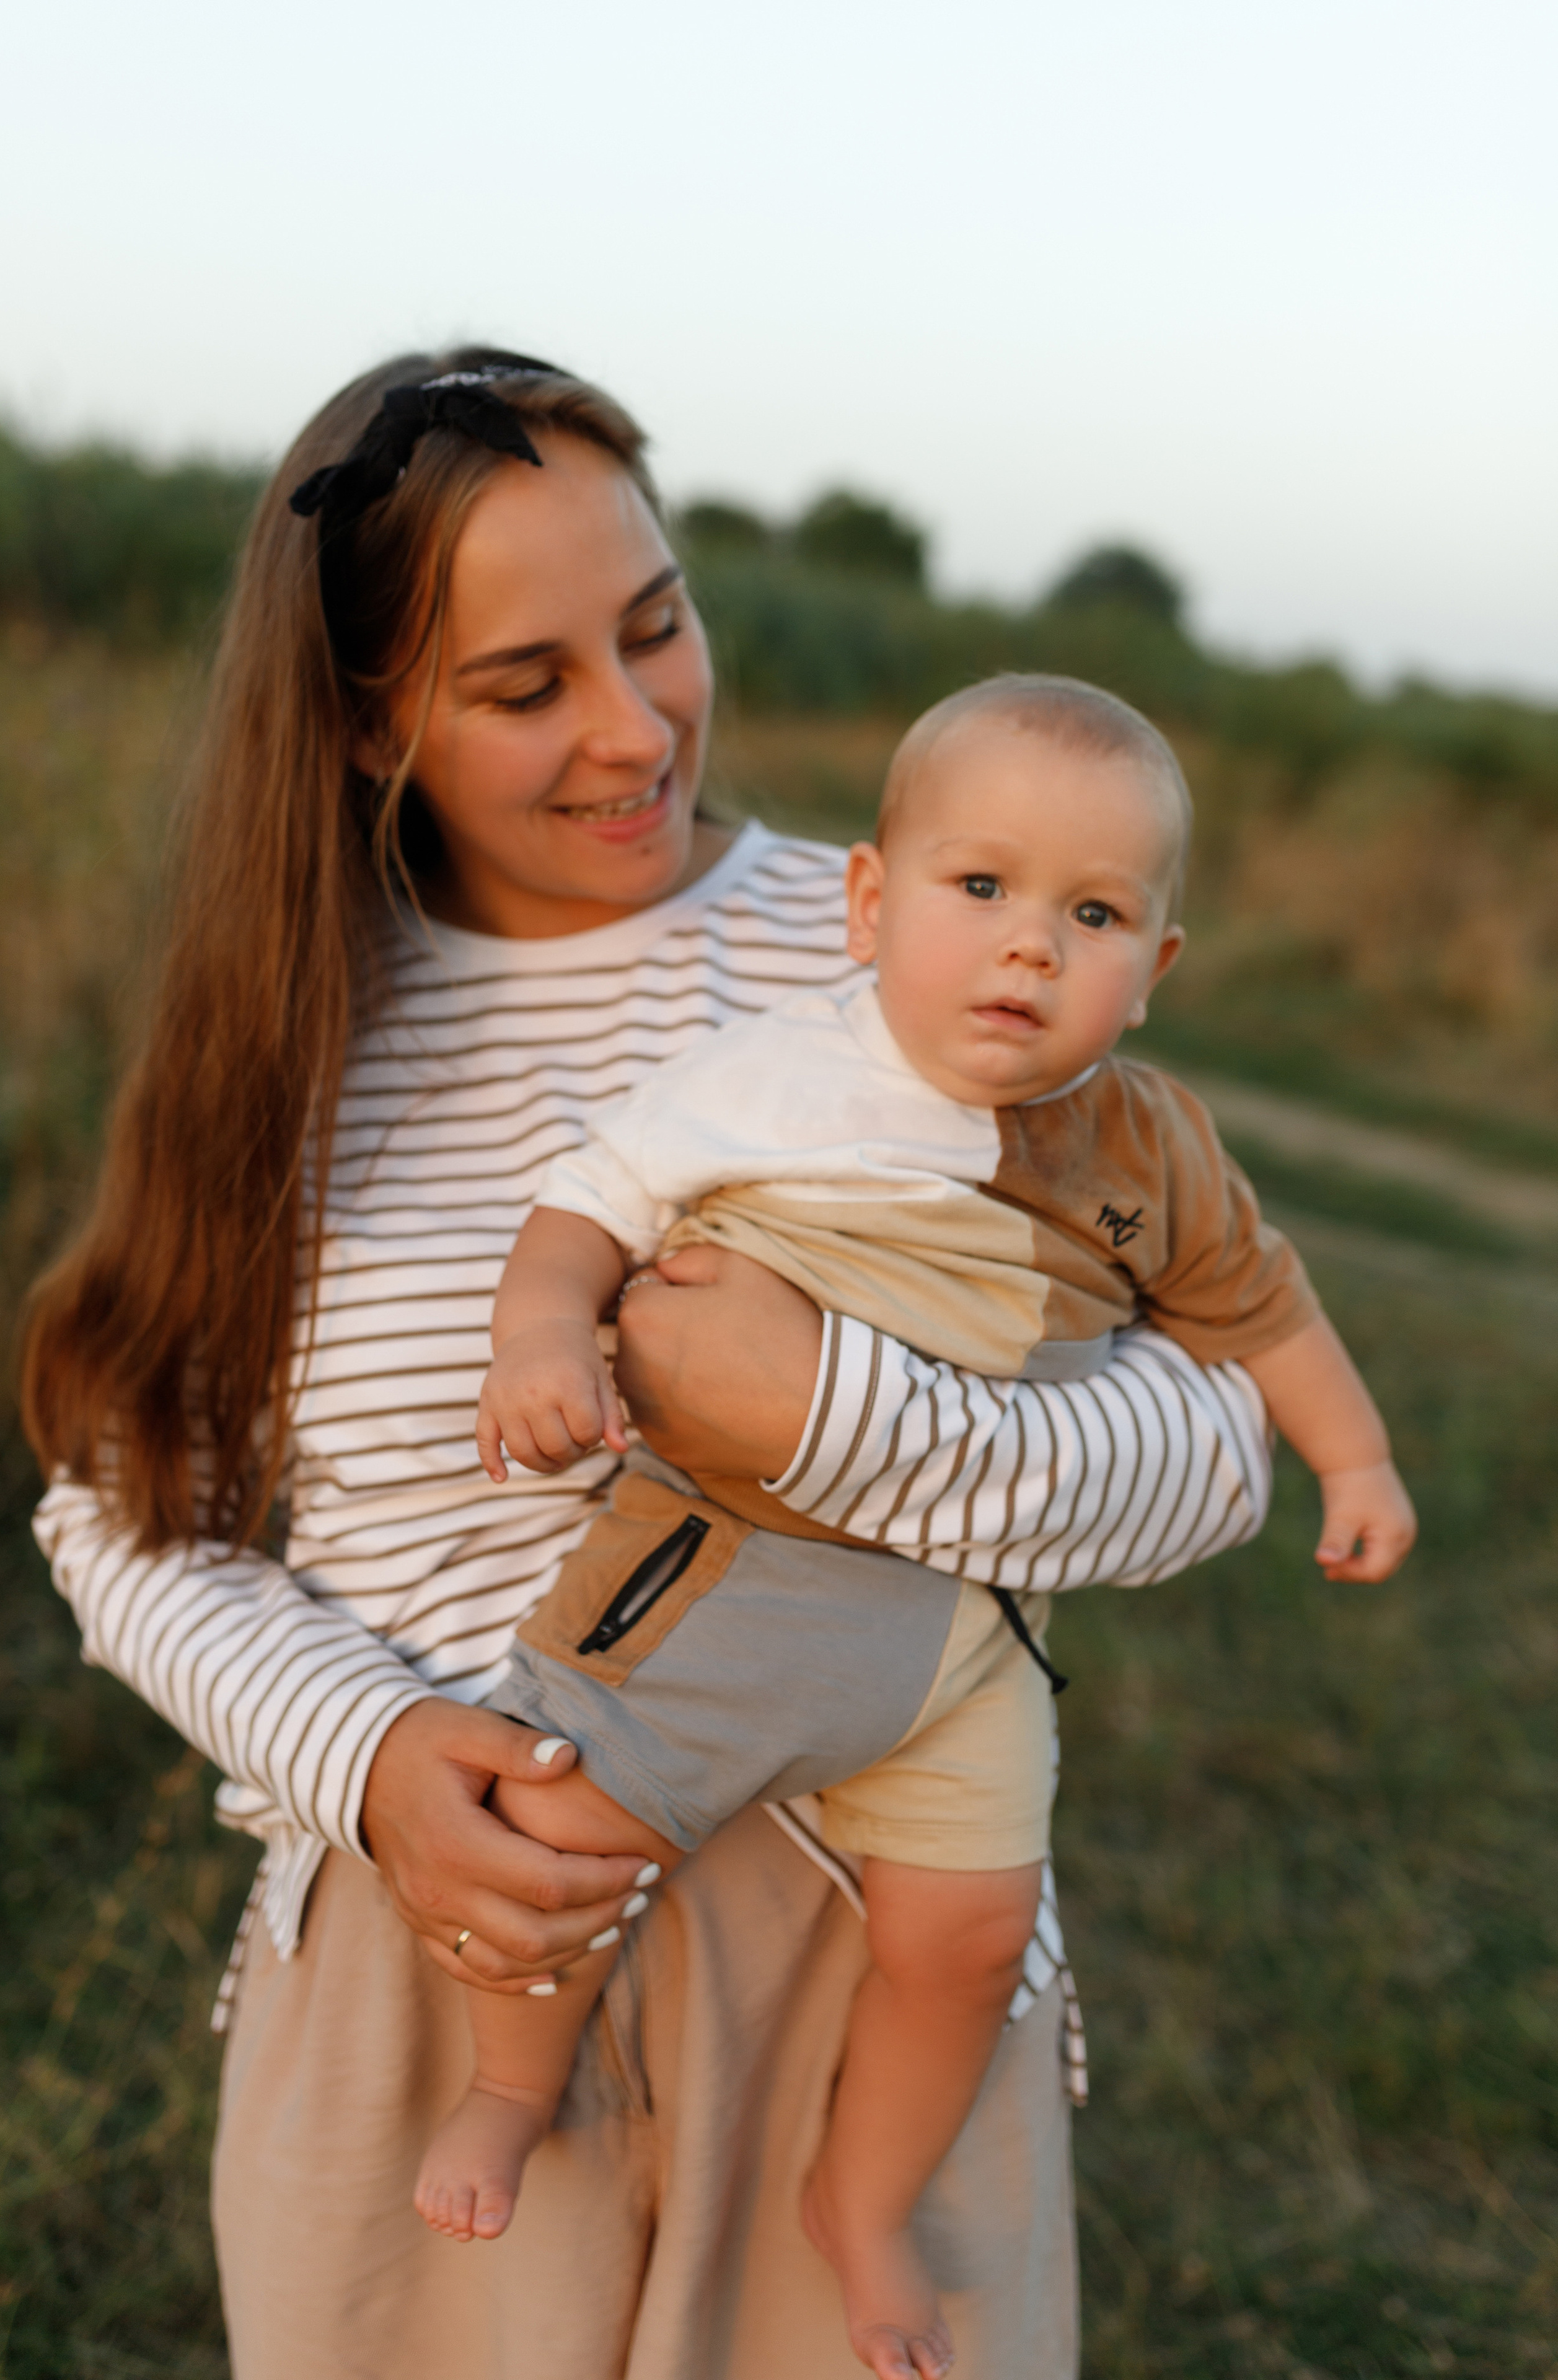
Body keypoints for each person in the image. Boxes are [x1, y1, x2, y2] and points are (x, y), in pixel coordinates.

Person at [24, 348, 1279, 2380]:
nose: (635, 731)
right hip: (433, 1949)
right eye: (525, 687)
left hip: (871, 1951)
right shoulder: (285, 1050)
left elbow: (1216, 1433)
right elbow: (118, 1508)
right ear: (365, 720)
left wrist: (840, 1425)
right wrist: (364, 1760)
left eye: (658, 626)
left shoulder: (926, 947)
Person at [421, 674, 1416, 2376]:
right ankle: (510, 2091)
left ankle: (861, 2200)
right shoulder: (778, 1073)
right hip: (727, 1576)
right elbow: (590, 1203)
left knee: (967, 1936)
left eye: (1092, 915)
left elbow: (1262, 1319)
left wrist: (1361, 1462)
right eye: (983, 890)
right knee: (554, 1829)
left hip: (963, 1635)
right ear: (873, 902)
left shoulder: (1146, 1146)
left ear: (1155, 970)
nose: (1030, 948)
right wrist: (536, 1336)